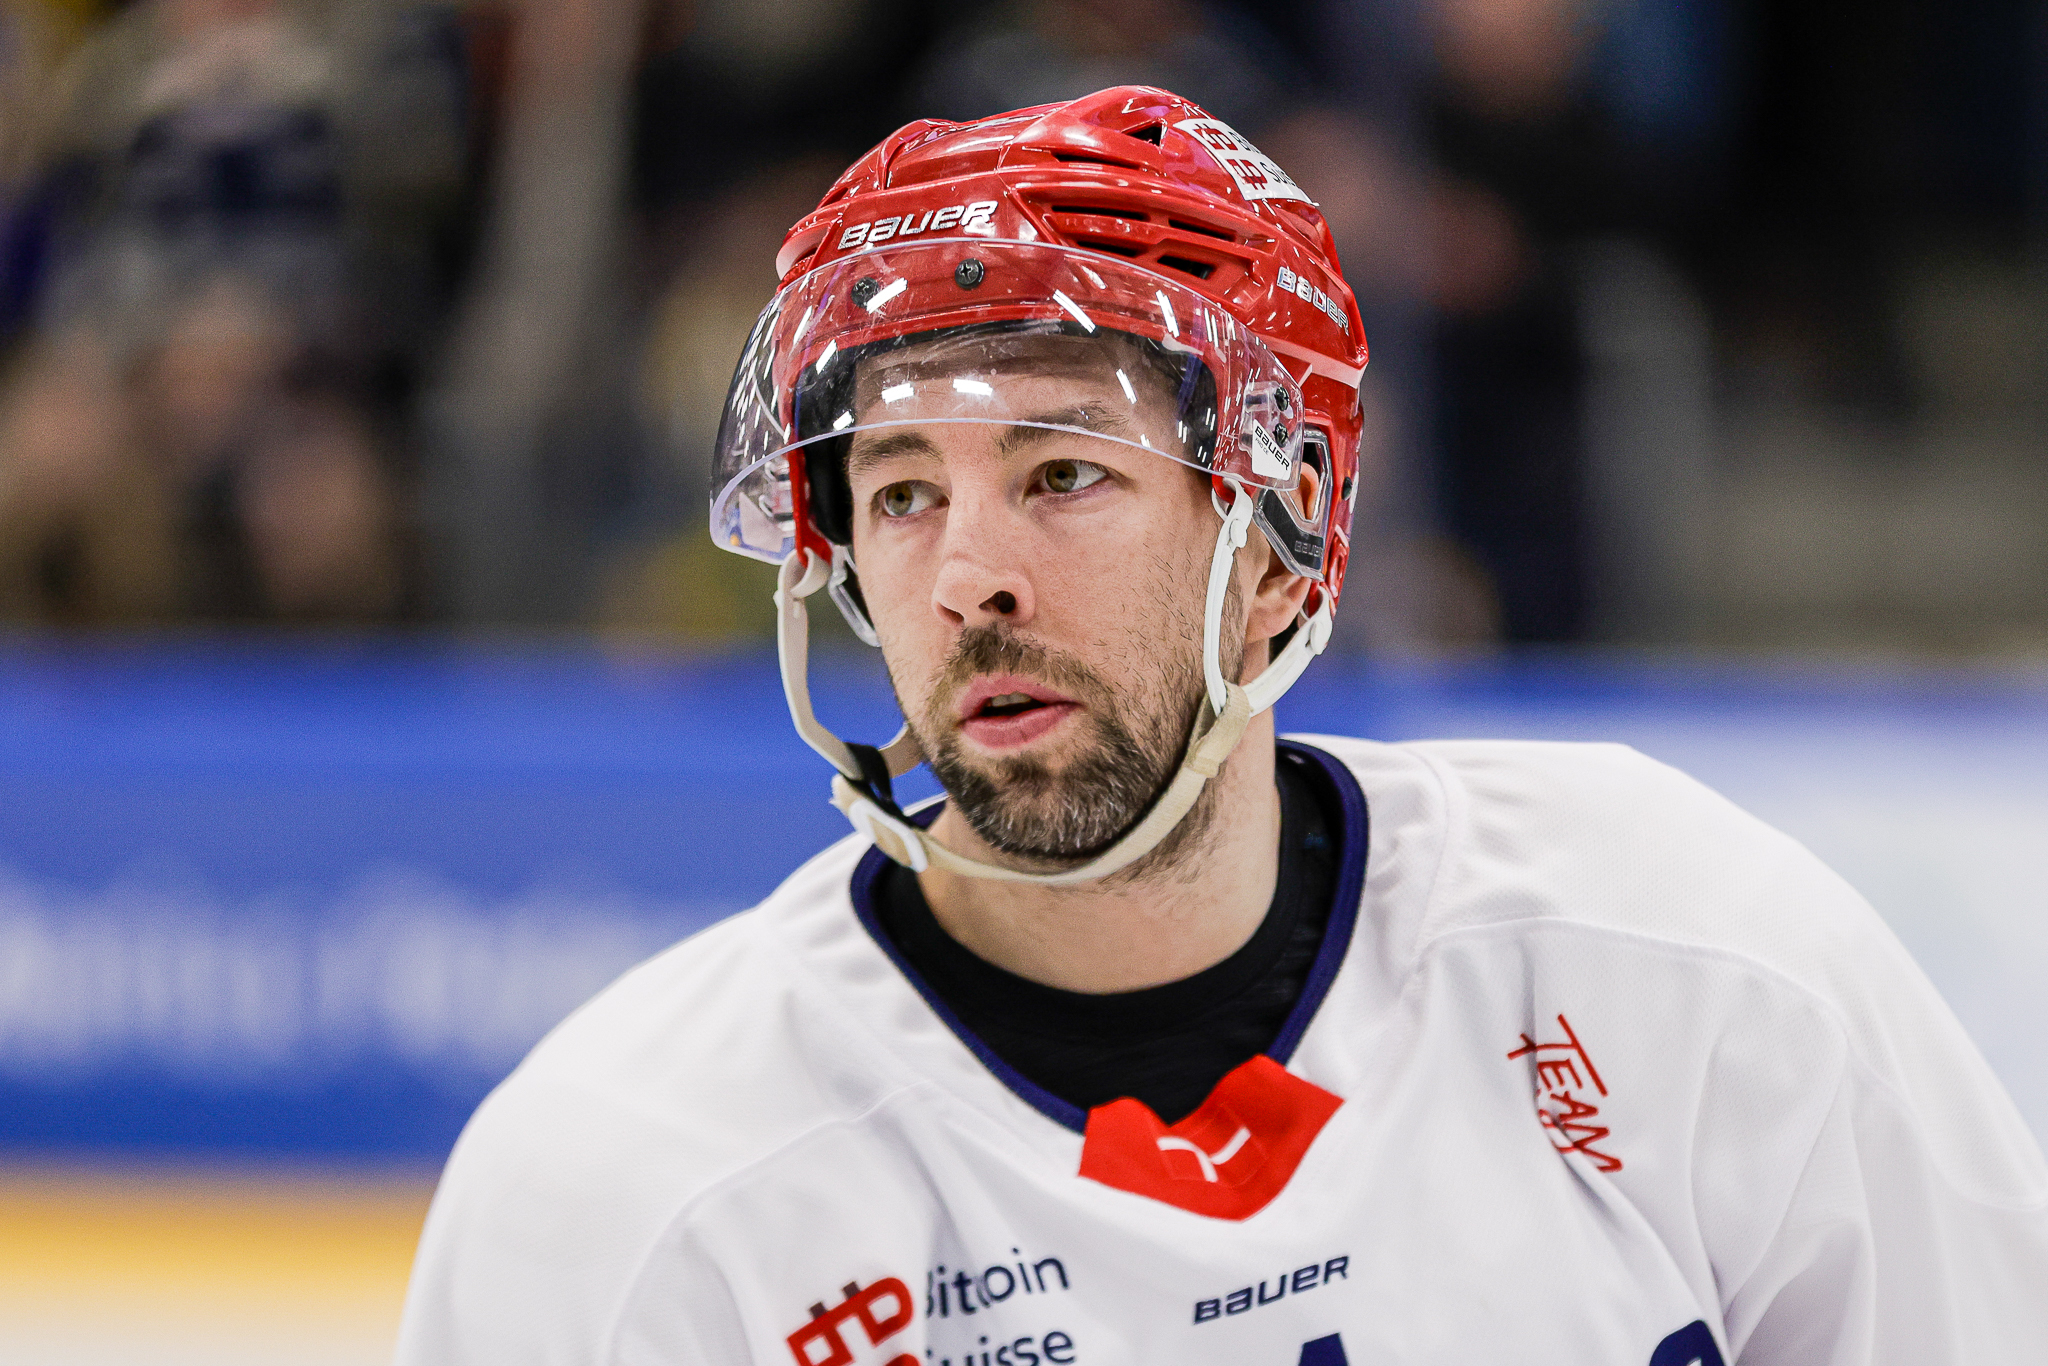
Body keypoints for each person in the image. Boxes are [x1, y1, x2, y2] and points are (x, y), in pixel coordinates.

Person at [396, 87, 2048, 1366]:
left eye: (1063, 473)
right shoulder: (628, 1189)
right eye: (900, 493)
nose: (966, 577)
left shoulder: (1693, 967)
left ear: (1280, 534)